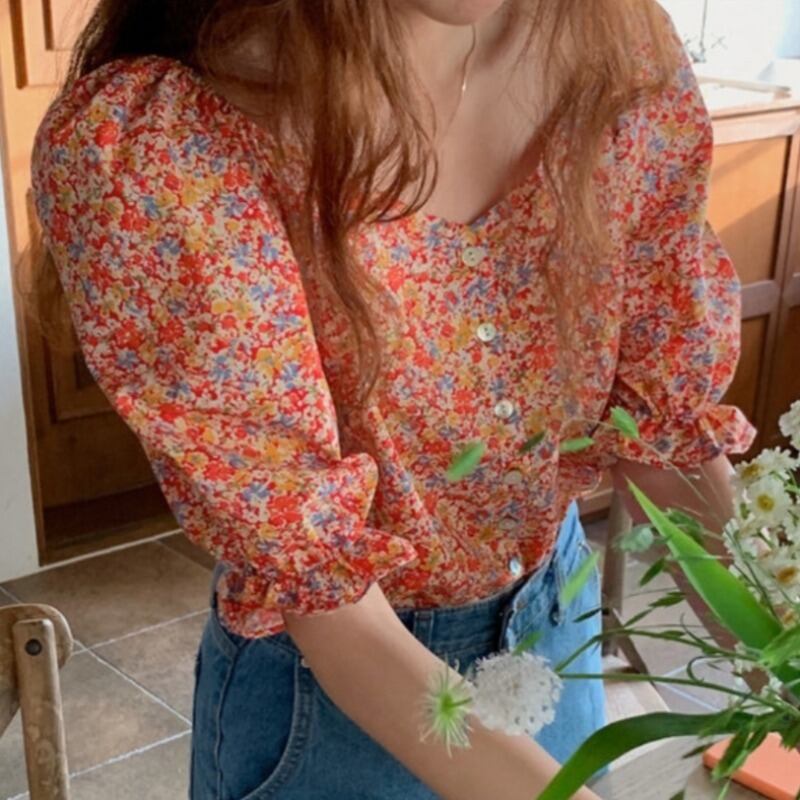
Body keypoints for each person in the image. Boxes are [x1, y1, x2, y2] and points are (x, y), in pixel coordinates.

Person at [29, 1, 757, 798]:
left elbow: (664, 432)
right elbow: (333, 612)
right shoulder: (176, 140)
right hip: (340, 704)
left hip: (553, 638)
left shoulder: (616, 47)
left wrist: (779, 650)